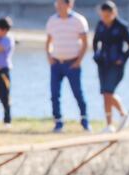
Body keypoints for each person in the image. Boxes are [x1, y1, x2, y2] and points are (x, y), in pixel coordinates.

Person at [46, 0, 90, 133]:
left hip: (72, 63)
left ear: (69, 4)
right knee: (54, 94)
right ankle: (58, 122)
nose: (58, 6)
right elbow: (48, 41)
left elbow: (85, 42)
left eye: (61, 4)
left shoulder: (78, 20)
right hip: (56, 63)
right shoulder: (52, 20)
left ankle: (84, 121)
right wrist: (49, 57)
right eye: (57, 4)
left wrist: (79, 61)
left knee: (77, 93)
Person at [92, 1, 129, 133]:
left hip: (116, 65)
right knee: (105, 93)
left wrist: (122, 59)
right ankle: (118, 118)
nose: (104, 18)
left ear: (113, 13)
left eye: (106, 16)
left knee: (108, 92)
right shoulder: (100, 25)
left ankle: (115, 121)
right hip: (103, 63)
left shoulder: (122, 26)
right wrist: (96, 54)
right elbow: (95, 41)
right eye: (102, 16)